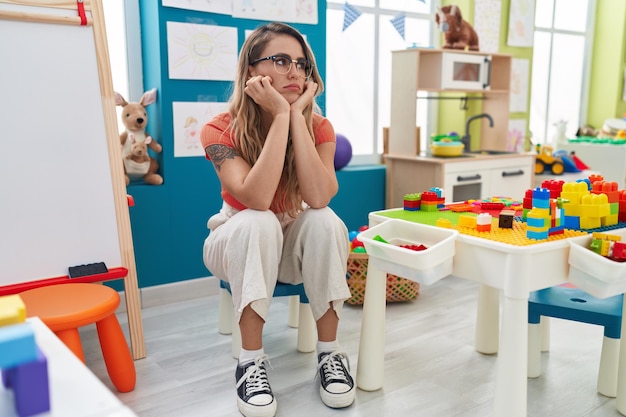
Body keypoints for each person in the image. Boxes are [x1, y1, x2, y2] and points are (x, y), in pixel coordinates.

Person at [200, 22, 355, 417]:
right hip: (233, 236)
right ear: (252, 70)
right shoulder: (219, 129)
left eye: (301, 64)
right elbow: (255, 198)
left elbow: (318, 196)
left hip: (291, 243)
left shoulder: (319, 127)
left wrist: (297, 117)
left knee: (324, 219)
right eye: (281, 61)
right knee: (259, 220)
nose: (295, 72)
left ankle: (329, 355)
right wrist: (282, 117)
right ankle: (250, 361)